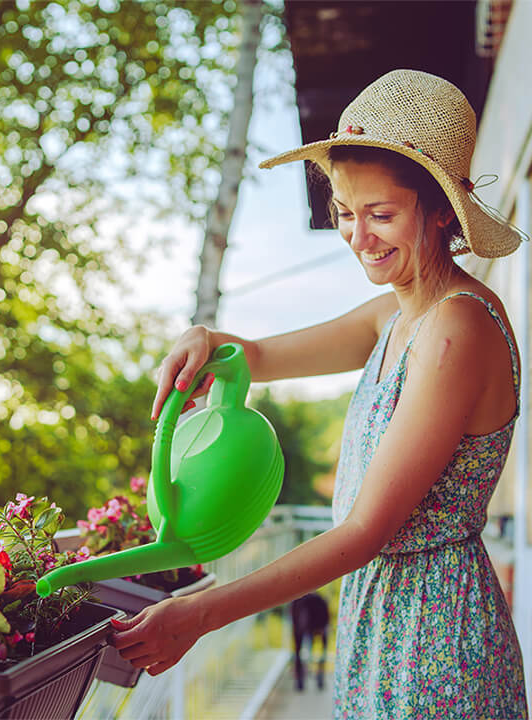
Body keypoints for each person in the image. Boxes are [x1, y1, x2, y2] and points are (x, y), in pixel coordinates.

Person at [110, 70, 528, 719]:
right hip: (382, 616)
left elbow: (364, 531)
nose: (357, 237)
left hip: (434, 633)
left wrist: (199, 615)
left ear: (442, 207)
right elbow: (254, 356)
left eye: (380, 215)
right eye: (343, 214)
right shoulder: (394, 315)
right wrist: (204, 339)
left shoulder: (456, 328)